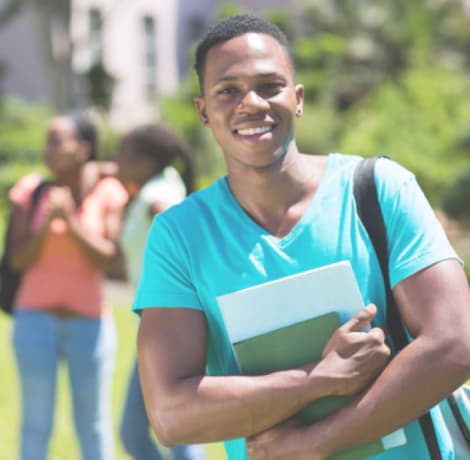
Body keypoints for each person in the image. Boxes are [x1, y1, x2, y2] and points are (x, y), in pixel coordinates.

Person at [134, 13, 470, 460]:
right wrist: (318, 378)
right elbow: (172, 415)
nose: (251, 102)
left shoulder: (378, 188)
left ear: (298, 98)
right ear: (203, 112)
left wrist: (315, 442)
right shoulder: (180, 235)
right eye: (227, 90)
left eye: (270, 85)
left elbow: (455, 343)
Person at [8, 112, 128, 460]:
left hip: (88, 324)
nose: (47, 150)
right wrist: (48, 224)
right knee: (35, 424)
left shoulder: (108, 192)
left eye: (56, 141)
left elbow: (111, 261)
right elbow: (17, 259)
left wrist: (71, 223)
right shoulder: (31, 191)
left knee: (93, 425)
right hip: (34, 323)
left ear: (83, 148)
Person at [114, 123, 207, 460]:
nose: (114, 160)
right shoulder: (158, 186)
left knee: (160, 431)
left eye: (121, 153)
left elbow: (179, 232)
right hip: (164, 329)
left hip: (169, 330)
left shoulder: (157, 196)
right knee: (151, 431)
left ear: (142, 159)